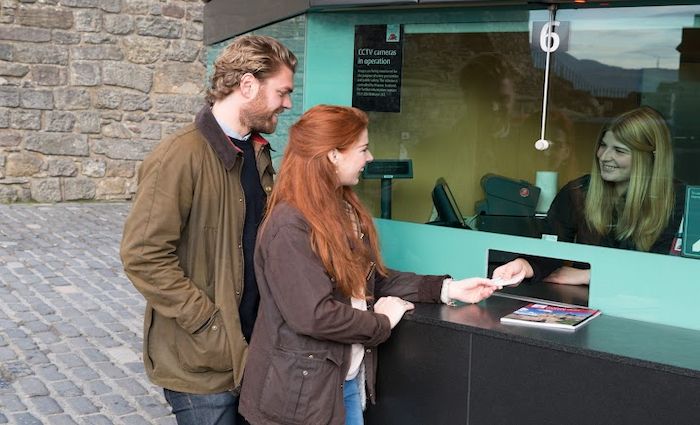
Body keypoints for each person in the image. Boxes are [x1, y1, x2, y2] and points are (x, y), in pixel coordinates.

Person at [238, 105, 498, 425]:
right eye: (362, 149)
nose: (370, 157)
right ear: (333, 155)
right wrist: (381, 324)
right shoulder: (290, 225)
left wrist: (447, 288)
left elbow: (370, 279)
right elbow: (314, 315)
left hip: (341, 387)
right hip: (299, 401)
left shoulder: (340, 208)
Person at [119, 34, 297, 424]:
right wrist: (209, 323)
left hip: (254, 349)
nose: (288, 103)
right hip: (200, 363)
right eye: (282, 92)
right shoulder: (178, 156)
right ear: (247, 85)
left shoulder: (257, 151)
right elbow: (143, 256)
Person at [493, 106, 686, 286]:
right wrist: (524, 265)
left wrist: (590, 276)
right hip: (583, 304)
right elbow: (550, 247)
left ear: (649, 158)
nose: (604, 156)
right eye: (603, 145)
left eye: (619, 150)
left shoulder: (678, 200)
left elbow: (668, 271)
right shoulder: (579, 191)